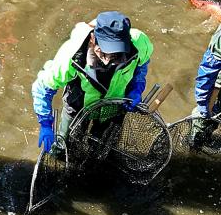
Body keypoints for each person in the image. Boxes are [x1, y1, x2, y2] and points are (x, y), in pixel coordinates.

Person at [32, 11, 153, 153]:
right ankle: (61, 152)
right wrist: (46, 123)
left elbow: (142, 66)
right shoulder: (71, 56)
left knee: (100, 147)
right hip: (79, 105)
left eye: (116, 54)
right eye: (104, 52)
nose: (109, 60)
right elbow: (43, 88)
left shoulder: (140, 43)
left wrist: (136, 89)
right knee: (64, 146)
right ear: (92, 39)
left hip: (114, 105)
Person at [190, 24, 221, 149]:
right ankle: (194, 146)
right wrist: (204, 104)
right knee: (206, 111)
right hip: (215, 79)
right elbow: (208, 71)